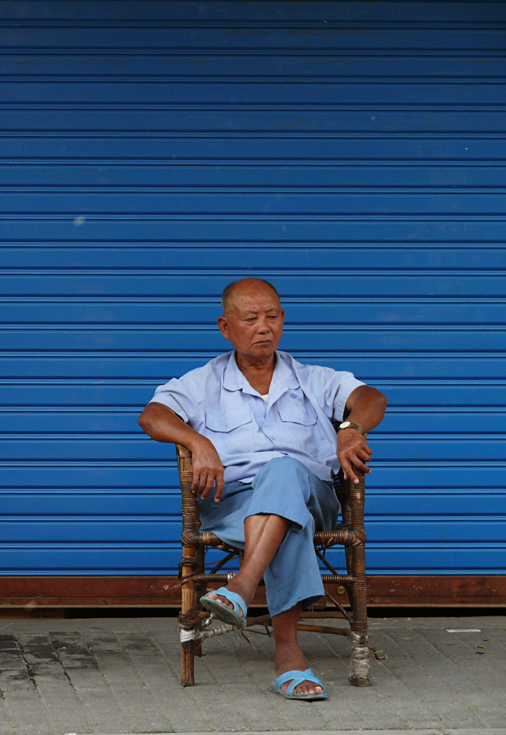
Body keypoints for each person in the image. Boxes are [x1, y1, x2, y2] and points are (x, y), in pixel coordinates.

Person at [137, 278, 387, 701]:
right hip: (233, 506)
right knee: (285, 522)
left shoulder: (313, 379)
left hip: (312, 499)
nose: (263, 326)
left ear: (283, 320)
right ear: (225, 326)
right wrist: (199, 442)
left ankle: (242, 587)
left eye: (272, 316)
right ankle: (287, 655)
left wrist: (350, 428)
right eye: (250, 318)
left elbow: (371, 397)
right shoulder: (204, 382)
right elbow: (152, 416)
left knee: (284, 471)